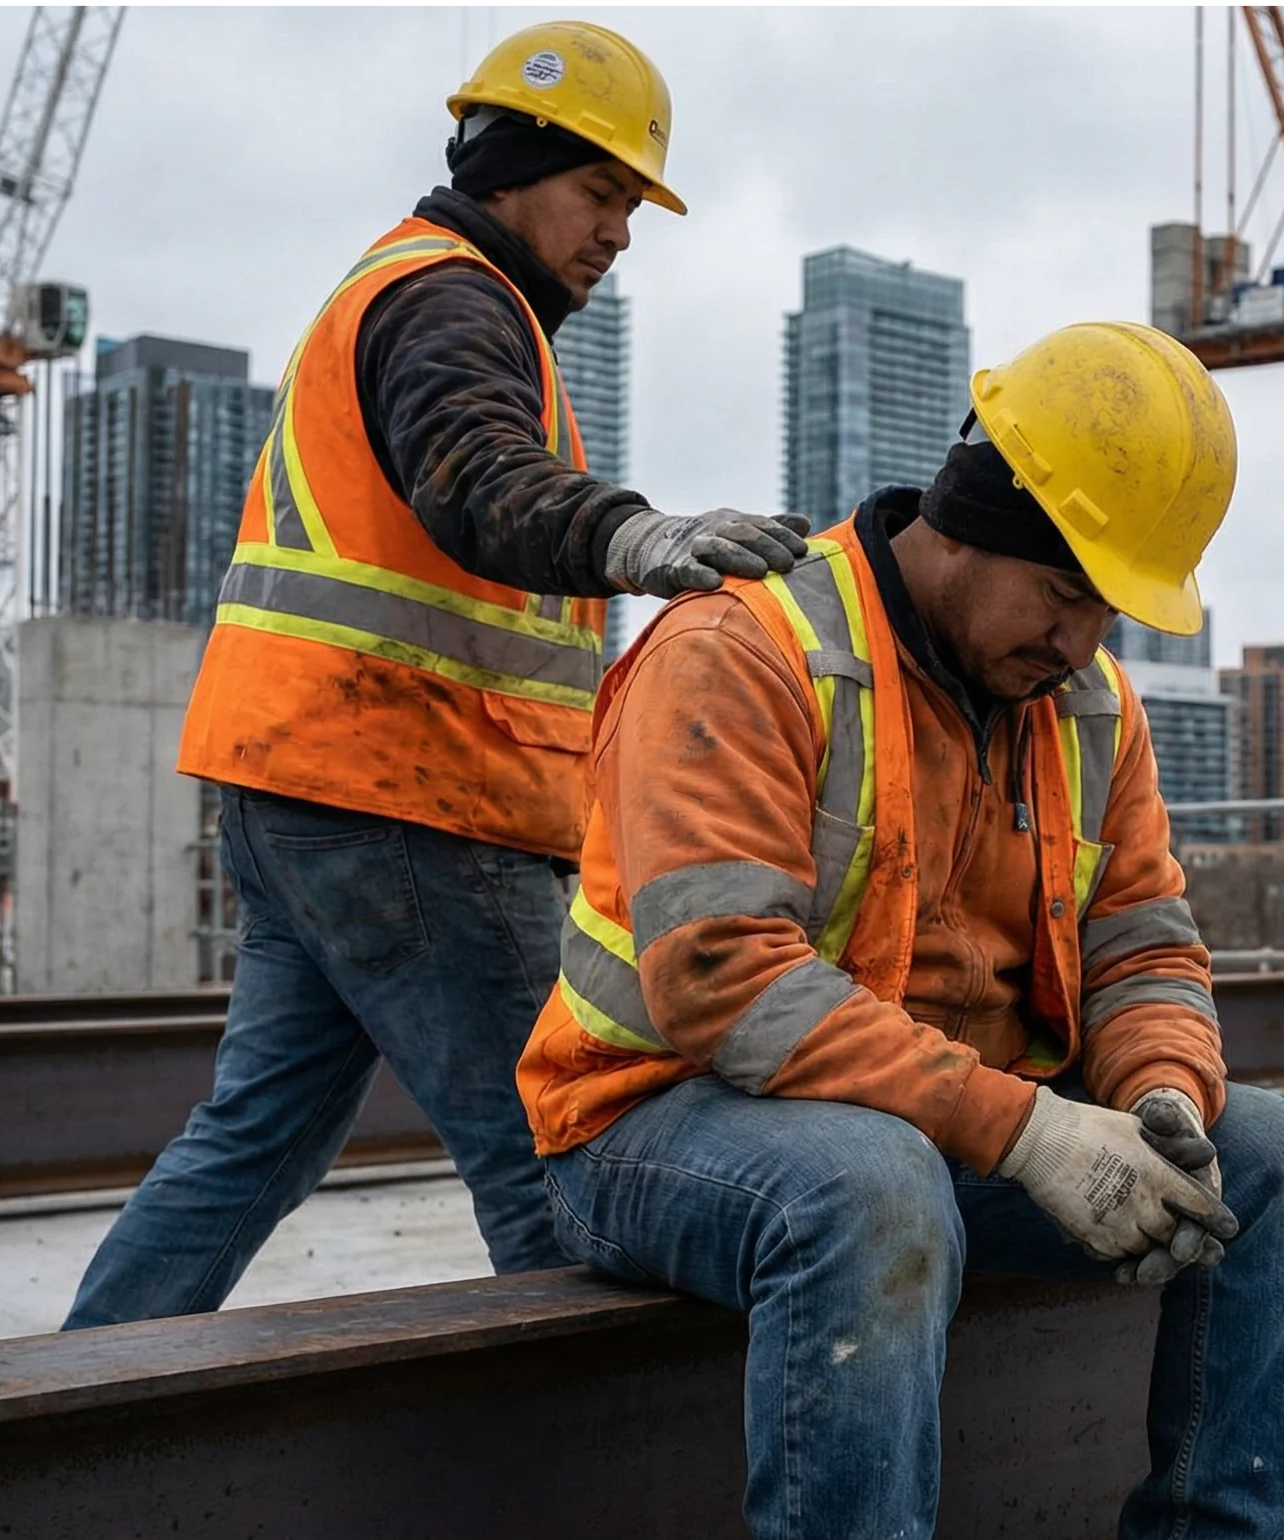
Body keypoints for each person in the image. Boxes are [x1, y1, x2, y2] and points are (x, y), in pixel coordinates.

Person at [520, 320, 1284, 1537]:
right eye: (1064, 595)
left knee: (1280, 1163)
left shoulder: (1085, 703)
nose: (1079, 643)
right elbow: (720, 979)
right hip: (652, 1120)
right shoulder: (742, 647)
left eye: (1106, 612)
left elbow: (1139, 942)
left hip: (943, 1121)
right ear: (971, 525)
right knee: (872, 1186)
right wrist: (1025, 1131)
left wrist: (1161, 1090)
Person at [64, 22, 810, 1329]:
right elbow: (481, 481)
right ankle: (595, 1472)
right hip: (407, 795)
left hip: (306, 784)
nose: (620, 235)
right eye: (603, 195)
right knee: (557, 1156)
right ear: (517, 166)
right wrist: (644, 537)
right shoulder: (452, 298)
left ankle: (72, 1400)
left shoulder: (425, 291)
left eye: (632, 206)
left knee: (258, 1139)